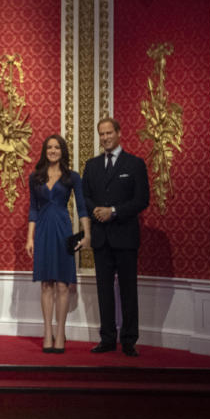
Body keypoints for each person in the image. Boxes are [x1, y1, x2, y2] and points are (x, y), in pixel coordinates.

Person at [81, 117, 149, 357]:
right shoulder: (92, 165)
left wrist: (114, 212)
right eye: (102, 134)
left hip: (126, 237)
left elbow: (142, 200)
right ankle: (107, 338)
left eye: (109, 133)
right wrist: (97, 210)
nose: (105, 137)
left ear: (119, 133)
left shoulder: (135, 164)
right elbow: (84, 197)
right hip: (101, 238)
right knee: (103, 291)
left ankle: (129, 340)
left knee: (128, 290)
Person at [25, 134, 91, 353]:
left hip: (63, 229)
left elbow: (81, 207)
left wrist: (86, 234)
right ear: (45, 151)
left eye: (57, 147)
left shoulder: (72, 177)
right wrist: (29, 238)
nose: (53, 151)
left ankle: (60, 332)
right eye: (49, 147)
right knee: (46, 284)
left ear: (62, 151)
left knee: (62, 284)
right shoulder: (35, 176)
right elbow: (33, 209)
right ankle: (47, 332)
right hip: (43, 230)